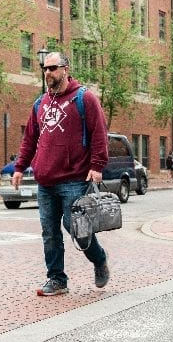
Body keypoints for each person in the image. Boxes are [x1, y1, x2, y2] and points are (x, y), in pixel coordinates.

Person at [12, 51, 110, 296]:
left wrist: (97, 166)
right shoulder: (40, 103)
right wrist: (19, 167)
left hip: (74, 179)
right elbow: (29, 139)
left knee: (76, 228)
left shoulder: (84, 98)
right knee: (49, 232)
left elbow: (99, 134)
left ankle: (99, 259)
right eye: (45, 69)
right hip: (45, 181)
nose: (48, 73)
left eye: (53, 68)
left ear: (65, 69)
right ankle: (57, 279)